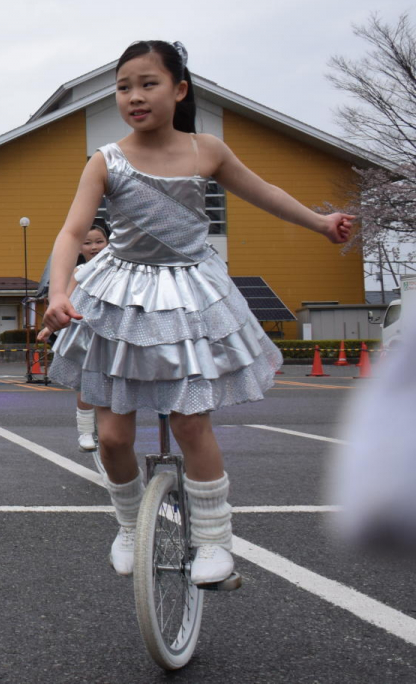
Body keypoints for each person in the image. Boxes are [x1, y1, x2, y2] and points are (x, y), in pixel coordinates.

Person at [41, 41, 354, 584]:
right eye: (123, 87)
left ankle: (213, 541)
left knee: (190, 421)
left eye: (148, 84)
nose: (134, 96)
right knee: (112, 436)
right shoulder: (106, 159)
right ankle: (129, 525)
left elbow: (265, 193)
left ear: (180, 89)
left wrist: (321, 223)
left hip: (189, 290)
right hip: (121, 292)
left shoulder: (206, 150)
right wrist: (59, 293)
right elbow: (71, 232)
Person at [38, 221, 111, 451]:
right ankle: (85, 431)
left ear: (108, 243)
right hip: (84, 332)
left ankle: (111, 430)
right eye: (87, 243)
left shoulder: (118, 271)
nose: (94, 247)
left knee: (114, 383)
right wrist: (50, 328)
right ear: (79, 247)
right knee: (85, 383)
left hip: (111, 331)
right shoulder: (78, 272)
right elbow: (65, 299)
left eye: (99, 241)